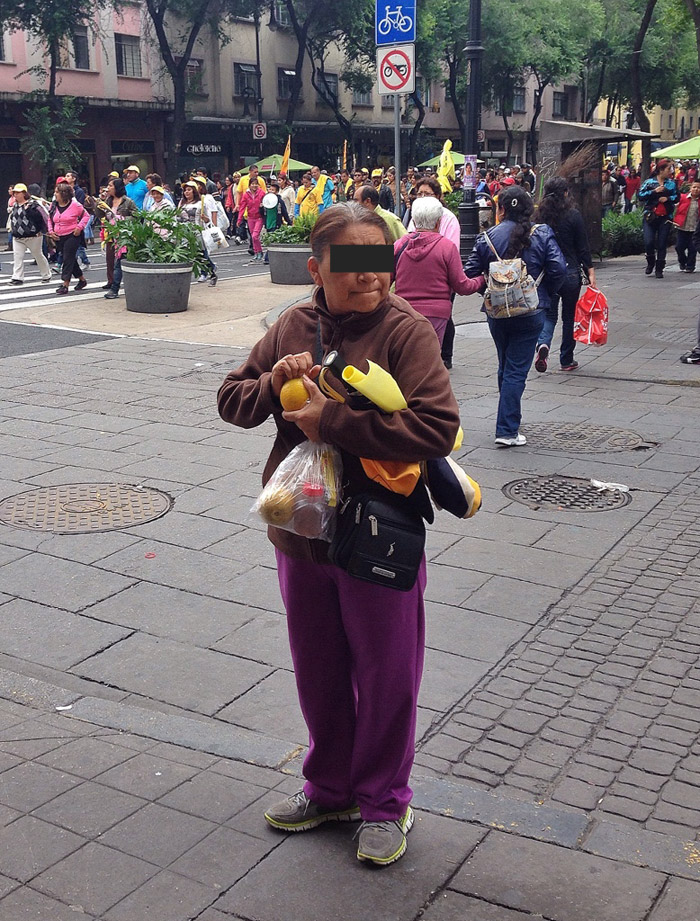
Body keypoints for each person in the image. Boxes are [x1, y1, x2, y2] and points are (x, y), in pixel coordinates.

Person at [217, 201, 460, 867]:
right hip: (301, 528)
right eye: (351, 264)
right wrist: (275, 381)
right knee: (319, 666)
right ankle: (330, 788)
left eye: (377, 261)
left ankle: (384, 801)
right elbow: (231, 398)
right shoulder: (294, 322)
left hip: (380, 534)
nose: (370, 278)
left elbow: (437, 427)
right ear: (318, 269)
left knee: (387, 672)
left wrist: (336, 424)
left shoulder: (405, 330)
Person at [465, 185, 566, 447]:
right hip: (531, 310)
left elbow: (471, 272)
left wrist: (492, 291)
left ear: (499, 210)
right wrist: (544, 293)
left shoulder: (487, 238)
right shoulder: (542, 234)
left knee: (505, 364)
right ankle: (507, 429)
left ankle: (507, 416)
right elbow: (558, 269)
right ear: (528, 209)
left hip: (497, 313)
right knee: (516, 370)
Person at [393, 197, 484, 345]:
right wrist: (482, 279)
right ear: (438, 223)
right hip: (436, 315)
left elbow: (381, 276)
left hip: (404, 312)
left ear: (414, 222)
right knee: (430, 358)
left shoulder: (399, 244)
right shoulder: (447, 247)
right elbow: (462, 286)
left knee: (407, 358)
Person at [534, 177, 596, 373]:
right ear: (566, 194)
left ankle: (543, 344)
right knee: (569, 317)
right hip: (570, 272)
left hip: (548, 273)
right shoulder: (573, 215)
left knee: (549, 314)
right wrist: (590, 272)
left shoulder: (540, 216)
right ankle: (566, 360)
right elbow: (583, 247)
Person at [47, 181, 90, 295]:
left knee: (67, 258)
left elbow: (86, 216)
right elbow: (49, 219)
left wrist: (79, 227)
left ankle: (65, 284)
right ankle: (82, 280)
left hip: (72, 235)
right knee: (70, 258)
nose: (55, 194)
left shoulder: (75, 205)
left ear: (64, 194)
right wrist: (51, 232)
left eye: (57, 192)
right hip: (58, 237)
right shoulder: (54, 205)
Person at [638, 159, 679, 278]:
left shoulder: (671, 183)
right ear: (661, 170)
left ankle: (660, 267)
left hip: (665, 217)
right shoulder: (649, 182)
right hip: (650, 216)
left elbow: (677, 197)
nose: (670, 171)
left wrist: (668, 199)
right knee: (649, 241)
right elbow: (640, 195)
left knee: (662, 243)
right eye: (668, 169)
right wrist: (653, 192)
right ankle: (650, 261)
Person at [102, 177, 138, 300]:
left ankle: (115, 288)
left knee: (119, 263)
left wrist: (121, 219)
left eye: (111, 185)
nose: (108, 188)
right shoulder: (108, 201)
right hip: (111, 236)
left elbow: (137, 216)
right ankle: (112, 282)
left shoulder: (127, 202)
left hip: (124, 236)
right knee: (110, 261)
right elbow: (101, 215)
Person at [8, 183, 51, 285]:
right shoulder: (14, 206)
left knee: (38, 255)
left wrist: (29, 211)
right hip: (18, 237)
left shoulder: (33, 205)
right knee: (17, 257)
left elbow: (41, 219)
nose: (16, 195)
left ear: (24, 193)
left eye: (18, 192)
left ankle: (46, 275)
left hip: (33, 236)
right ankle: (17, 277)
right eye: (15, 192)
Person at [179, 180, 218, 285]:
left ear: (194, 191)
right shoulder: (182, 203)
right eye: (185, 190)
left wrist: (205, 218)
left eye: (189, 190)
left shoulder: (201, 202)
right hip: (185, 233)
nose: (186, 192)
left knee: (201, 255)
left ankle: (209, 273)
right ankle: (210, 269)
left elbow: (207, 220)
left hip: (197, 233)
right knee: (189, 255)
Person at [673, 179, 700, 273]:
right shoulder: (683, 197)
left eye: (698, 188)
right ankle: (682, 261)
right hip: (682, 227)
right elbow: (675, 206)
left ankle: (690, 266)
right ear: (690, 188)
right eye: (694, 187)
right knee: (679, 247)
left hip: (695, 229)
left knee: (693, 249)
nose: (696, 189)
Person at [237, 174, 266, 263]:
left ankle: (260, 252)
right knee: (253, 237)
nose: (254, 185)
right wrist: (239, 219)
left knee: (255, 236)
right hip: (250, 217)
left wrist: (263, 205)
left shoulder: (262, 193)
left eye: (256, 184)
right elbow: (242, 207)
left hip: (259, 217)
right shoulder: (246, 194)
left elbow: (267, 202)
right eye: (252, 184)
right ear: (249, 185)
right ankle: (256, 253)